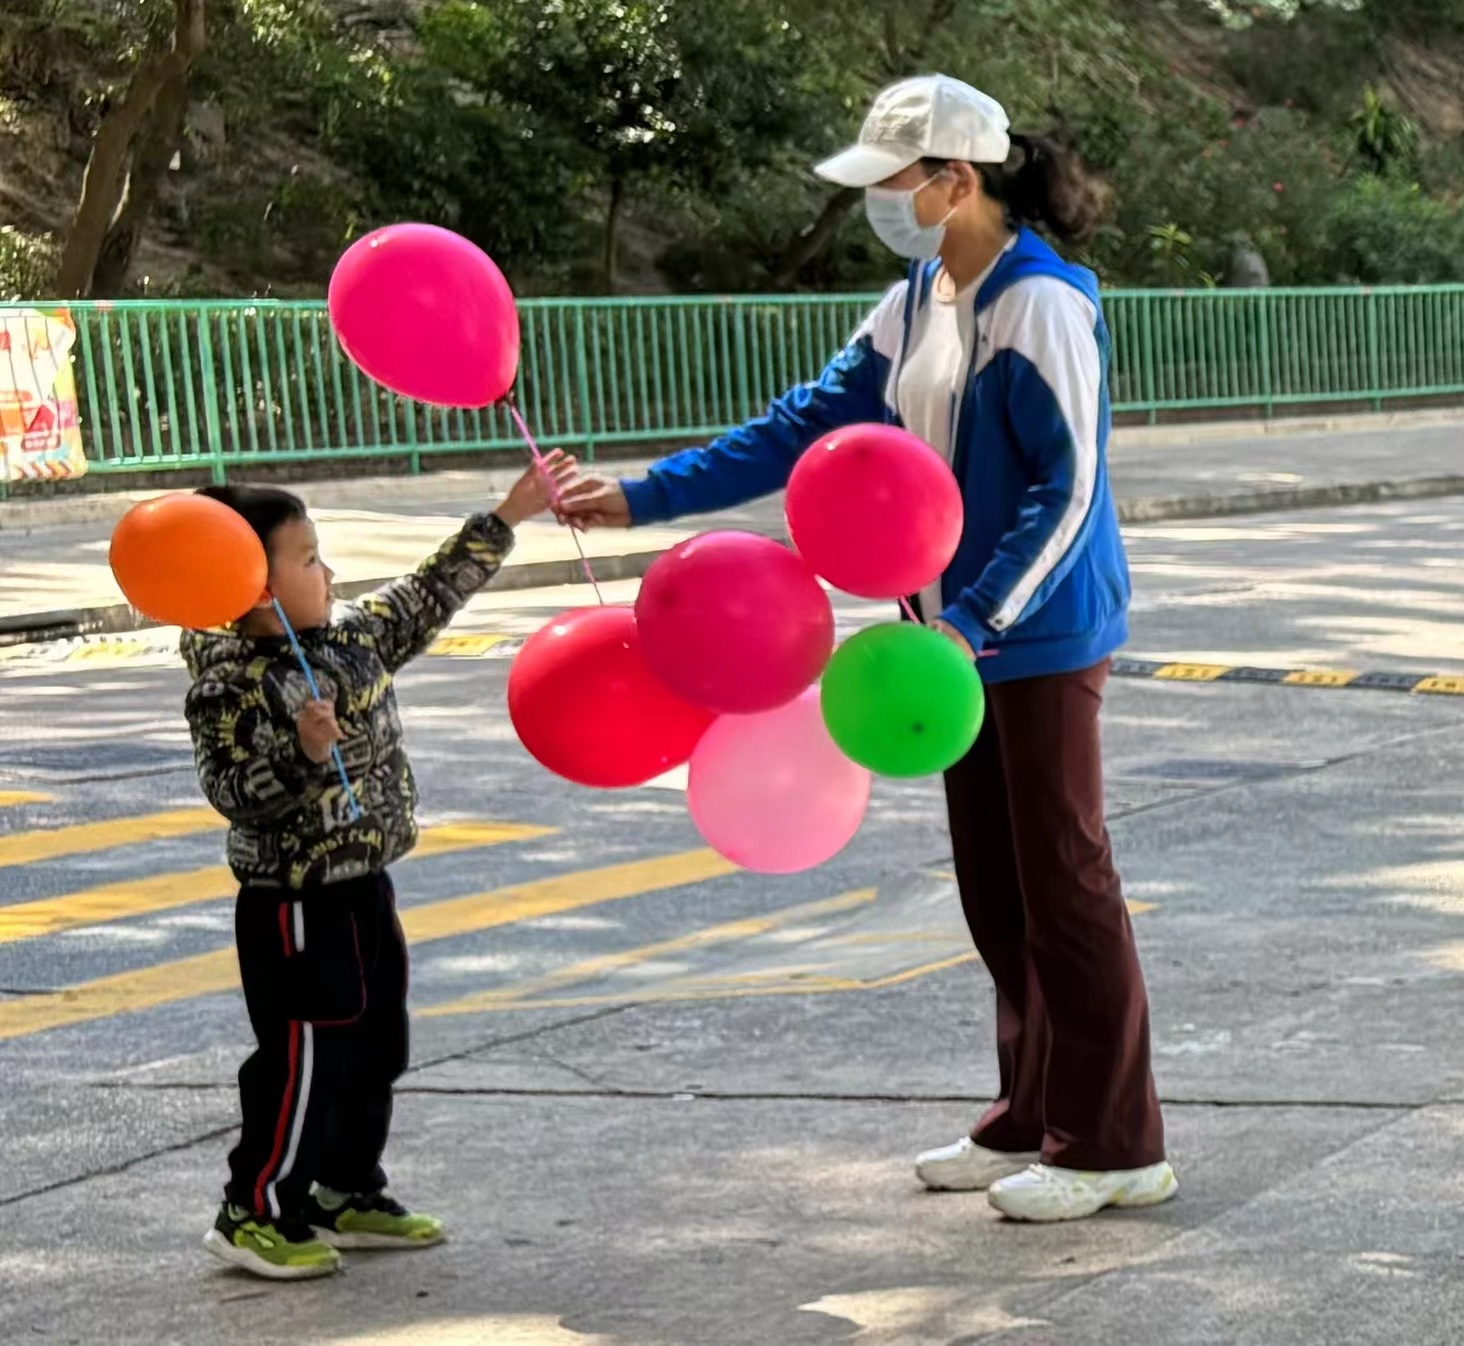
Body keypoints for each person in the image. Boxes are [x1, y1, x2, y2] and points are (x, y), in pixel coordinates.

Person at [559, 74, 1177, 1224]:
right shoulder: (914, 296)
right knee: (999, 888)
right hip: (941, 642)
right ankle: (1028, 1111)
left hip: (1030, 636)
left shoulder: (1038, 301)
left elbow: (1071, 485)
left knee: (1065, 879)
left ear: (957, 178)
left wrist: (975, 618)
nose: (884, 202)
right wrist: (641, 496)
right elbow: (807, 426)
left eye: (897, 182)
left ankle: (1113, 1142)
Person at [186, 453, 575, 1278]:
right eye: (309, 558)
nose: (330, 571)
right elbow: (230, 791)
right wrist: (299, 753)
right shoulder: (228, 684)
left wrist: (505, 516)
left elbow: (429, 593)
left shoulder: (354, 637)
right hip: (292, 902)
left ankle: (343, 1188)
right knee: (301, 1058)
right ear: (256, 587)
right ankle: (252, 1206)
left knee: (374, 1043)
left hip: (365, 884)